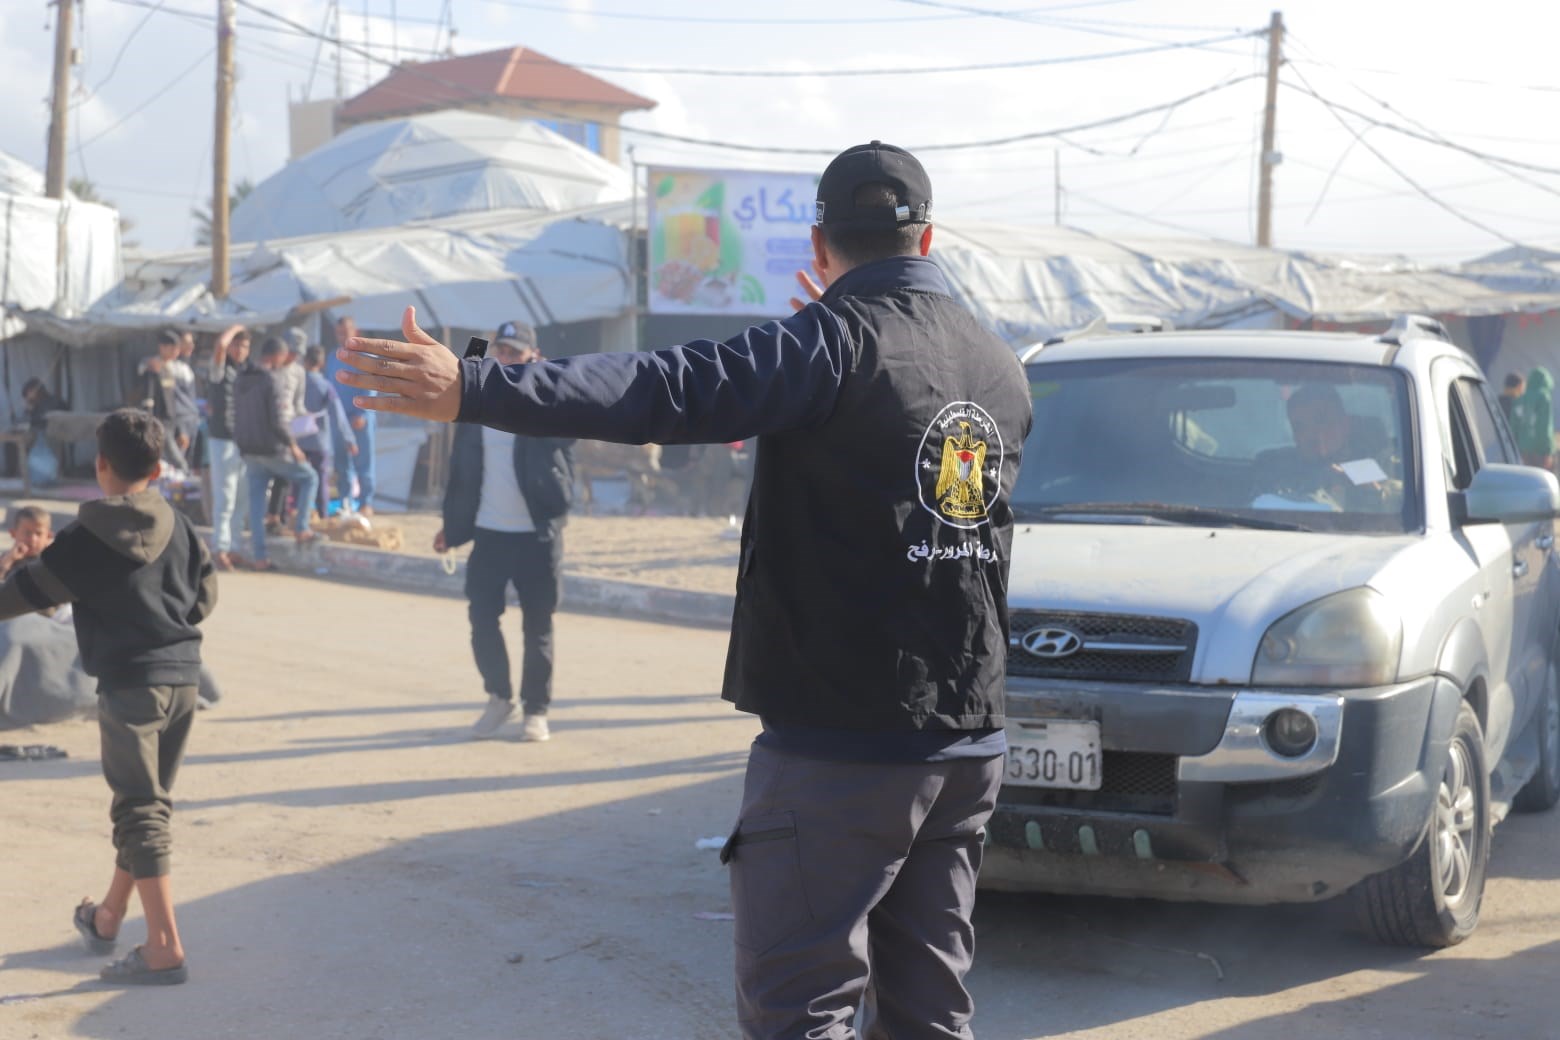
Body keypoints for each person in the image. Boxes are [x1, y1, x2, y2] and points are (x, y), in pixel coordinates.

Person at [337, 141, 1033, 1039]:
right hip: (969, 739)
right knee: (932, 1012)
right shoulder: (998, 363)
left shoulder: (827, 345)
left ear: (819, 247)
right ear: (929, 239)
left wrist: (477, 385)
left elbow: (661, 388)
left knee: (801, 1010)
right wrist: (821, 356)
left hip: (845, 741)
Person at [0, 409, 217, 985]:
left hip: (130, 684)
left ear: (100, 465)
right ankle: (107, 917)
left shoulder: (85, 537)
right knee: (147, 804)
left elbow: (25, 592)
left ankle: (164, 946)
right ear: (157, 468)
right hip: (184, 679)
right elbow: (205, 597)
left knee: (140, 809)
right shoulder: (181, 525)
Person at [433, 325, 573, 742]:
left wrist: (545, 381)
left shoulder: (548, 400)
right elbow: (462, 472)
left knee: (538, 626)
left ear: (533, 356)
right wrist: (452, 528)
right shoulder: (481, 403)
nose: (508, 359)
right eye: (503, 352)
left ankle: (536, 710)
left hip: (537, 535)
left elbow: (571, 433)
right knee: (481, 619)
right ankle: (499, 697)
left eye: (516, 353)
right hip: (490, 533)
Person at [233, 336, 318, 571]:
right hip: (272, 448)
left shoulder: (241, 378)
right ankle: (302, 528)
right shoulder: (273, 379)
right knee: (310, 478)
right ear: (277, 355)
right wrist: (293, 446)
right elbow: (278, 421)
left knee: (257, 506)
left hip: (248, 449)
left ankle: (260, 557)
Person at [1258, 384, 1402, 511]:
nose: (1311, 434)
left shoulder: (1382, 462)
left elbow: (1402, 502)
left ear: (1345, 423)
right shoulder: (1277, 470)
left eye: (1321, 420)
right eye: (1299, 427)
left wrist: (1372, 491)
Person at [205, 325, 251, 571]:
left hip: (243, 441)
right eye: (237, 345)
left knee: (241, 498)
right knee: (225, 497)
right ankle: (220, 548)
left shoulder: (247, 371)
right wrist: (238, 327)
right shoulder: (219, 371)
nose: (240, 350)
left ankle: (234, 548)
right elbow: (220, 346)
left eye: (244, 346)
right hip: (222, 438)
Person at [299, 345, 357, 518]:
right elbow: (338, 415)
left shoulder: (297, 384)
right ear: (322, 363)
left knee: (298, 480)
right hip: (319, 441)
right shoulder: (325, 386)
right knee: (320, 480)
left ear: (304, 361)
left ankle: (297, 515)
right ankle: (322, 515)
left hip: (297, 441)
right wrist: (349, 439)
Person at [329, 315, 377, 515]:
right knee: (342, 463)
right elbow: (329, 388)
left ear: (355, 332)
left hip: (360, 418)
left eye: (345, 332)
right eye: (339, 333)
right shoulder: (333, 358)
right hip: (339, 420)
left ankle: (366, 502)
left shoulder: (365, 357)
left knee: (363, 462)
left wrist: (362, 412)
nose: (342, 336)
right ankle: (345, 501)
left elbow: (371, 384)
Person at [139, 330, 199, 473]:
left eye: (177, 348)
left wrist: (180, 429)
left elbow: (174, 401)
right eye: (172, 348)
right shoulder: (152, 365)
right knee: (175, 462)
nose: (176, 352)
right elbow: (148, 393)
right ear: (162, 347)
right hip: (158, 420)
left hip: (176, 420)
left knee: (180, 460)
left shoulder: (175, 368)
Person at [19, 377, 67, 486]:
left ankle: (44, 479)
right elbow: (25, 421)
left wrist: (30, 412)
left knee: (42, 460)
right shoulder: (35, 404)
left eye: (28, 393)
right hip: (39, 438)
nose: (28, 397)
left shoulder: (54, 402)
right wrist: (28, 410)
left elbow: (43, 421)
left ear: (35, 390)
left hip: (50, 438)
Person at [1512, 366, 1556, 470]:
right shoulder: (1544, 398)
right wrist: (1548, 452)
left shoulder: (1519, 399)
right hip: (1540, 453)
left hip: (1523, 451)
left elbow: (1513, 427)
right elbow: (1544, 427)